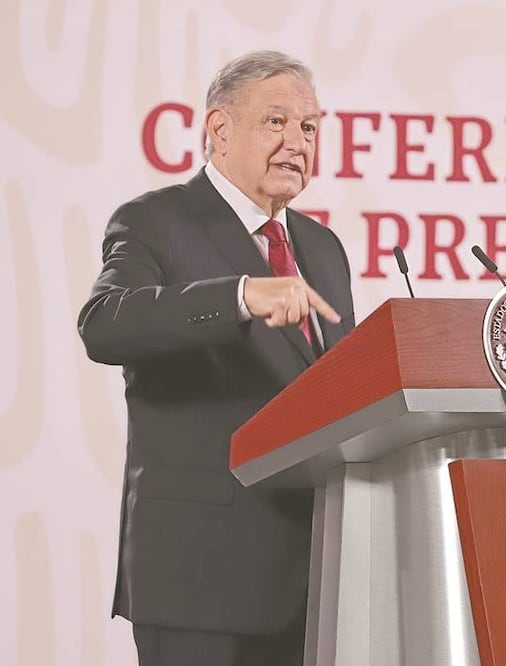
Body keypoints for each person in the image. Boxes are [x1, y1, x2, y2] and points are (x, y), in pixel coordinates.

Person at [78, 50, 355, 666]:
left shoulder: (322, 248)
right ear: (219, 131)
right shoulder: (156, 220)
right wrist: (238, 295)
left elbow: (338, 393)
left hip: (311, 579)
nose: (296, 141)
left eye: (309, 127)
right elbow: (104, 325)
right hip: (198, 576)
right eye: (276, 122)